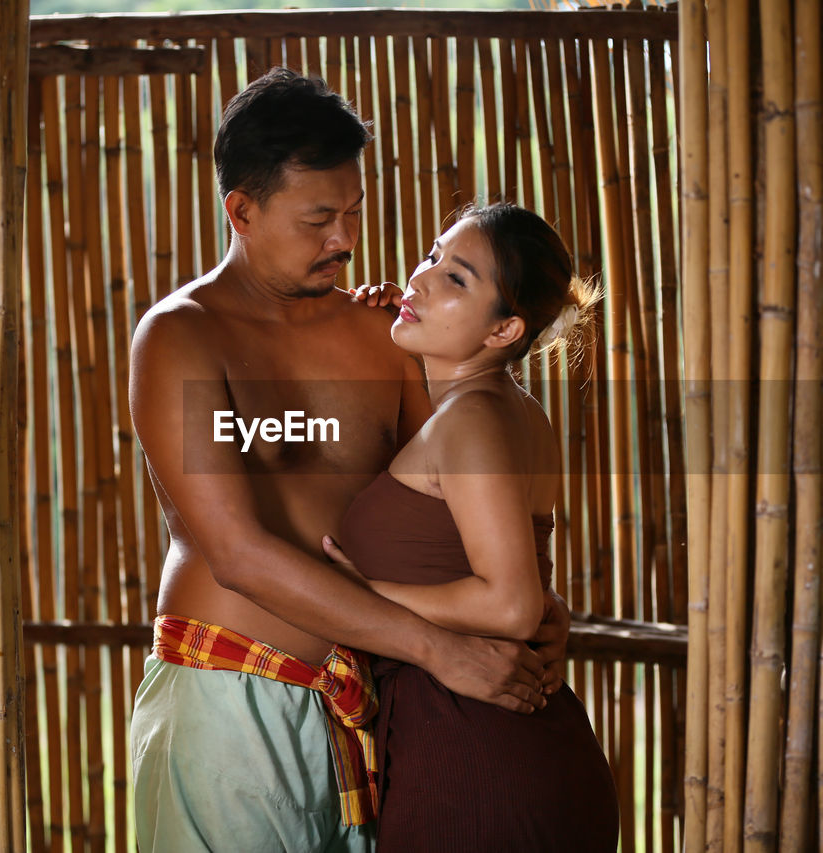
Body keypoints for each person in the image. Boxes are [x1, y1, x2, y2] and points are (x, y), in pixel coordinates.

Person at [128, 68, 570, 852]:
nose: (347, 239)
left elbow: (455, 511)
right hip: (228, 702)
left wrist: (539, 616)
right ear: (243, 210)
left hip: (373, 708)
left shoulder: (382, 336)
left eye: (354, 212)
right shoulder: (181, 338)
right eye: (319, 219)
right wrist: (441, 648)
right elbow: (237, 554)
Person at [324, 203, 620, 851]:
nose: (421, 279)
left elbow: (512, 603)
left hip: (477, 764)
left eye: (456, 279)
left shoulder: (471, 421)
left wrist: (360, 594)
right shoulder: (508, 410)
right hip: (510, 746)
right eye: (430, 256)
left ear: (504, 329)